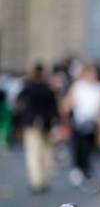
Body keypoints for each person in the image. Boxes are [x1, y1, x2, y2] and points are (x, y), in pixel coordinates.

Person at [15, 64, 59, 192]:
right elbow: (54, 109)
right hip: (46, 124)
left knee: (33, 153)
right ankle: (45, 178)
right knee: (47, 152)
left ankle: (36, 181)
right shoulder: (48, 89)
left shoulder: (28, 88)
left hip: (31, 124)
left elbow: (18, 104)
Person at [62, 64, 100, 186]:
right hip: (79, 123)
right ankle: (79, 169)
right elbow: (68, 104)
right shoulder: (78, 86)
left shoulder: (99, 87)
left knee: (90, 148)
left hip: (93, 123)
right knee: (79, 147)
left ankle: (87, 170)